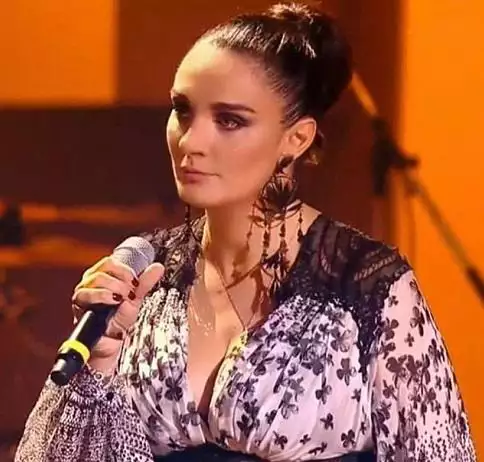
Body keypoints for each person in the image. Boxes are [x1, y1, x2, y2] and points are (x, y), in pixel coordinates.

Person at [15, 2, 476, 461]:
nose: (191, 141)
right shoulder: (145, 274)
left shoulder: (368, 284)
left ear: (296, 139)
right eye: (182, 110)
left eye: (230, 120)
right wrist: (98, 365)